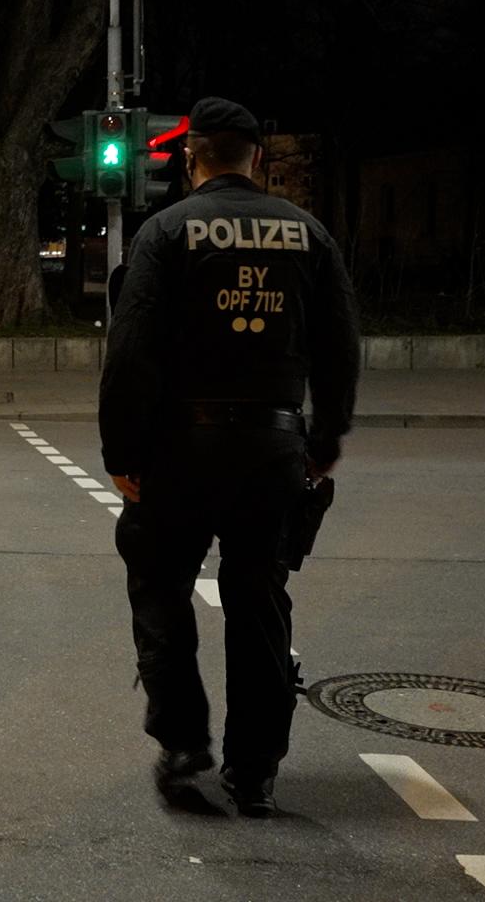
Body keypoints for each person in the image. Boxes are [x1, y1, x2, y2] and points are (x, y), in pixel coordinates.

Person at [100, 97, 360, 817]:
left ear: (194, 159)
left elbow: (130, 353)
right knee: (258, 600)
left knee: (158, 585)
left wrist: (121, 450)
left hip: (180, 448)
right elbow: (339, 347)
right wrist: (325, 441)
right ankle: (255, 770)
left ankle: (184, 739)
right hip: (274, 448)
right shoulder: (308, 235)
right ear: (257, 159)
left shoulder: (165, 233)